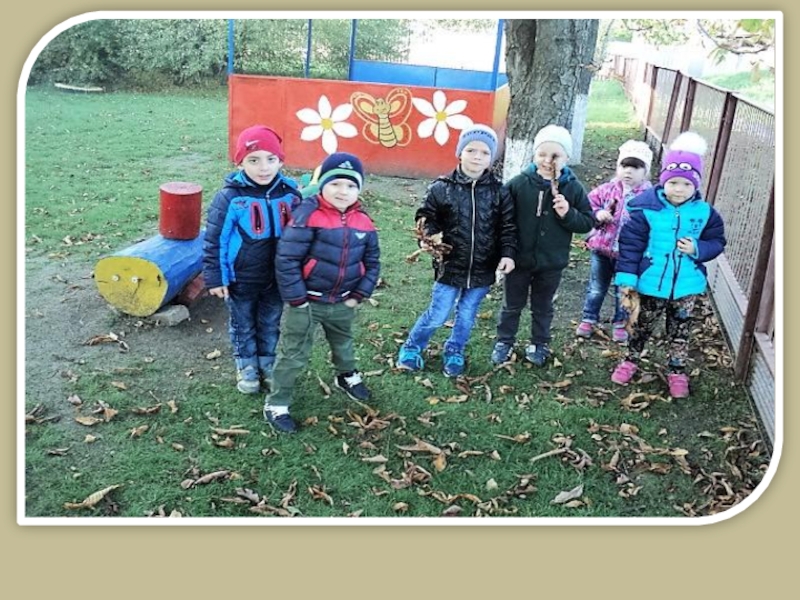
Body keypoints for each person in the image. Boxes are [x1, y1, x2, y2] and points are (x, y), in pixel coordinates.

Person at [263, 152, 380, 433]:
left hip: (343, 301)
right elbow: (287, 259)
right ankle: (277, 403)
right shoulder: (307, 215)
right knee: (294, 353)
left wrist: (359, 294)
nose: (343, 191)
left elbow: (373, 262)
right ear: (322, 184)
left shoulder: (363, 221)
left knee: (343, 343)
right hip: (307, 302)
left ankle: (346, 376)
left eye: (350, 185)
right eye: (335, 183)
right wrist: (298, 299)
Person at [610, 131, 726, 399]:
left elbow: (717, 241)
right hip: (650, 284)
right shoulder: (645, 210)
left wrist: (698, 249)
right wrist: (627, 278)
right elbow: (630, 246)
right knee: (641, 326)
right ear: (663, 181)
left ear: (696, 185)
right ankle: (630, 360)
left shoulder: (705, 213)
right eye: (673, 182)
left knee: (680, 331)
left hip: (687, 286)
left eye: (686, 184)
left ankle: (677, 371)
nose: (679, 189)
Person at [396, 124, 517, 377]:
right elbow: (426, 216)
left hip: (483, 267)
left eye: (484, 152)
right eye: (471, 150)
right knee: (438, 313)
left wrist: (507, 253)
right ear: (460, 152)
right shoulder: (442, 187)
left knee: (466, 316)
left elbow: (508, 227)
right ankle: (412, 347)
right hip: (450, 266)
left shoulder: (499, 191)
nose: (477, 157)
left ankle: (454, 350)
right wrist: (429, 237)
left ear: (491, 157)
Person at [202, 125, 301, 395]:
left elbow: (303, 236)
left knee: (270, 322)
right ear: (240, 163)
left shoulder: (291, 195)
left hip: (278, 279)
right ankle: (246, 366)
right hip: (241, 279)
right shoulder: (230, 197)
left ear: (281, 161)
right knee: (243, 324)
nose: (263, 167)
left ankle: (267, 363)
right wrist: (216, 277)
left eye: (271, 159)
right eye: (253, 160)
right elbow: (215, 240)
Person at [491, 124, 595, 367]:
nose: (548, 161)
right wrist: (505, 251)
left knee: (543, 306)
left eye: (555, 155)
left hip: (551, 262)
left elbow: (587, 222)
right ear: (534, 154)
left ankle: (539, 342)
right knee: (512, 304)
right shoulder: (519, 184)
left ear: (566, 157)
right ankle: (504, 341)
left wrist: (568, 214)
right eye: (542, 154)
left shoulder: (573, 188)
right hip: (519, 260)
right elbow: (502, 217)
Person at [575, 140, 654, 343]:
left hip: (629, 255)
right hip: (602, 249)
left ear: (645, 172)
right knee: (596, 287)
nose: (628, 171)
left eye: (636, 167)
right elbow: (587, 204)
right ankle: (589, 318)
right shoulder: (607, 189)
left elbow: (655, 222)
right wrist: (598, 213)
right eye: (624, 165)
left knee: (624, 290)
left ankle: (620, 323)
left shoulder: (650, 197)